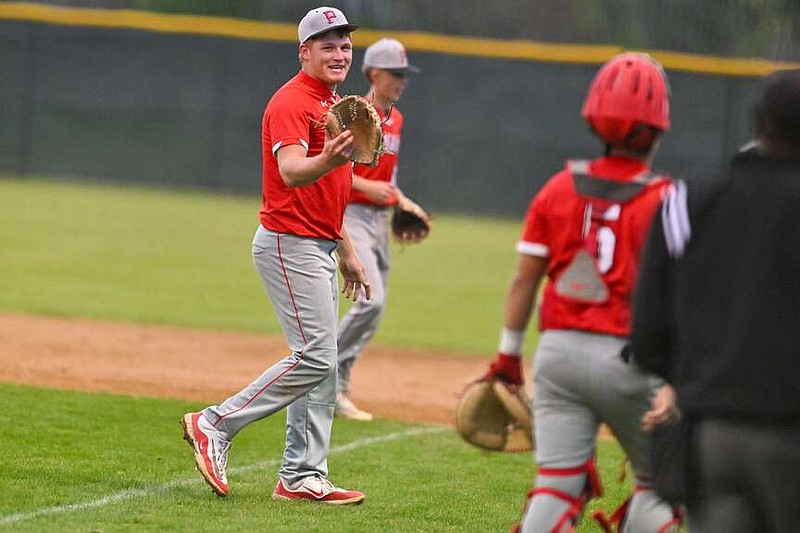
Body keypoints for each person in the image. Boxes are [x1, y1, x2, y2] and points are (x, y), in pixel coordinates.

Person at [481, 52, 681, 532]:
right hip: (632, 363)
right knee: (661, 486)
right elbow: (688, 298)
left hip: (558, 358)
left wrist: (508, 358)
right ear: (658, 127)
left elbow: (524, 279)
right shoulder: (668, 199)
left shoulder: (558, 188)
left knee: (555, 483)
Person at [180, 6, 371, 505]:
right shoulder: (292, 101)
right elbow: (290, 170)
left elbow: (331, 189)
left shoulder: (332, 102)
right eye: (326, 44)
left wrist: (347, 249)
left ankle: (302, 475)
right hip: (289, 244)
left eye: (345, 44)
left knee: (320, 363)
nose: (338, 52)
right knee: (316, 356)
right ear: (304, 51)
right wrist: (329, 156)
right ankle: (214, 423)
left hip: (319, 244)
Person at [630, 68, 800, 532]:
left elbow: (646, 329)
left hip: (710, 432)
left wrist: (688, 383)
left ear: (758, 122)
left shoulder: (687, 198)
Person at [335, 38, 429, 421]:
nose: (402, 81)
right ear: (374, 74)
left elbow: (387, 177)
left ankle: (335, 390)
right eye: (396, 74)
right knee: (369, 303)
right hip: (352, 216)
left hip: (378, 219)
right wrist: (367, 187)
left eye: (405, 75)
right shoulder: (355, 114)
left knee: (374, 312)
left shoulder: (398, 120)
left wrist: (402, 202)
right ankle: (318, 371)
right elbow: (334, 169)